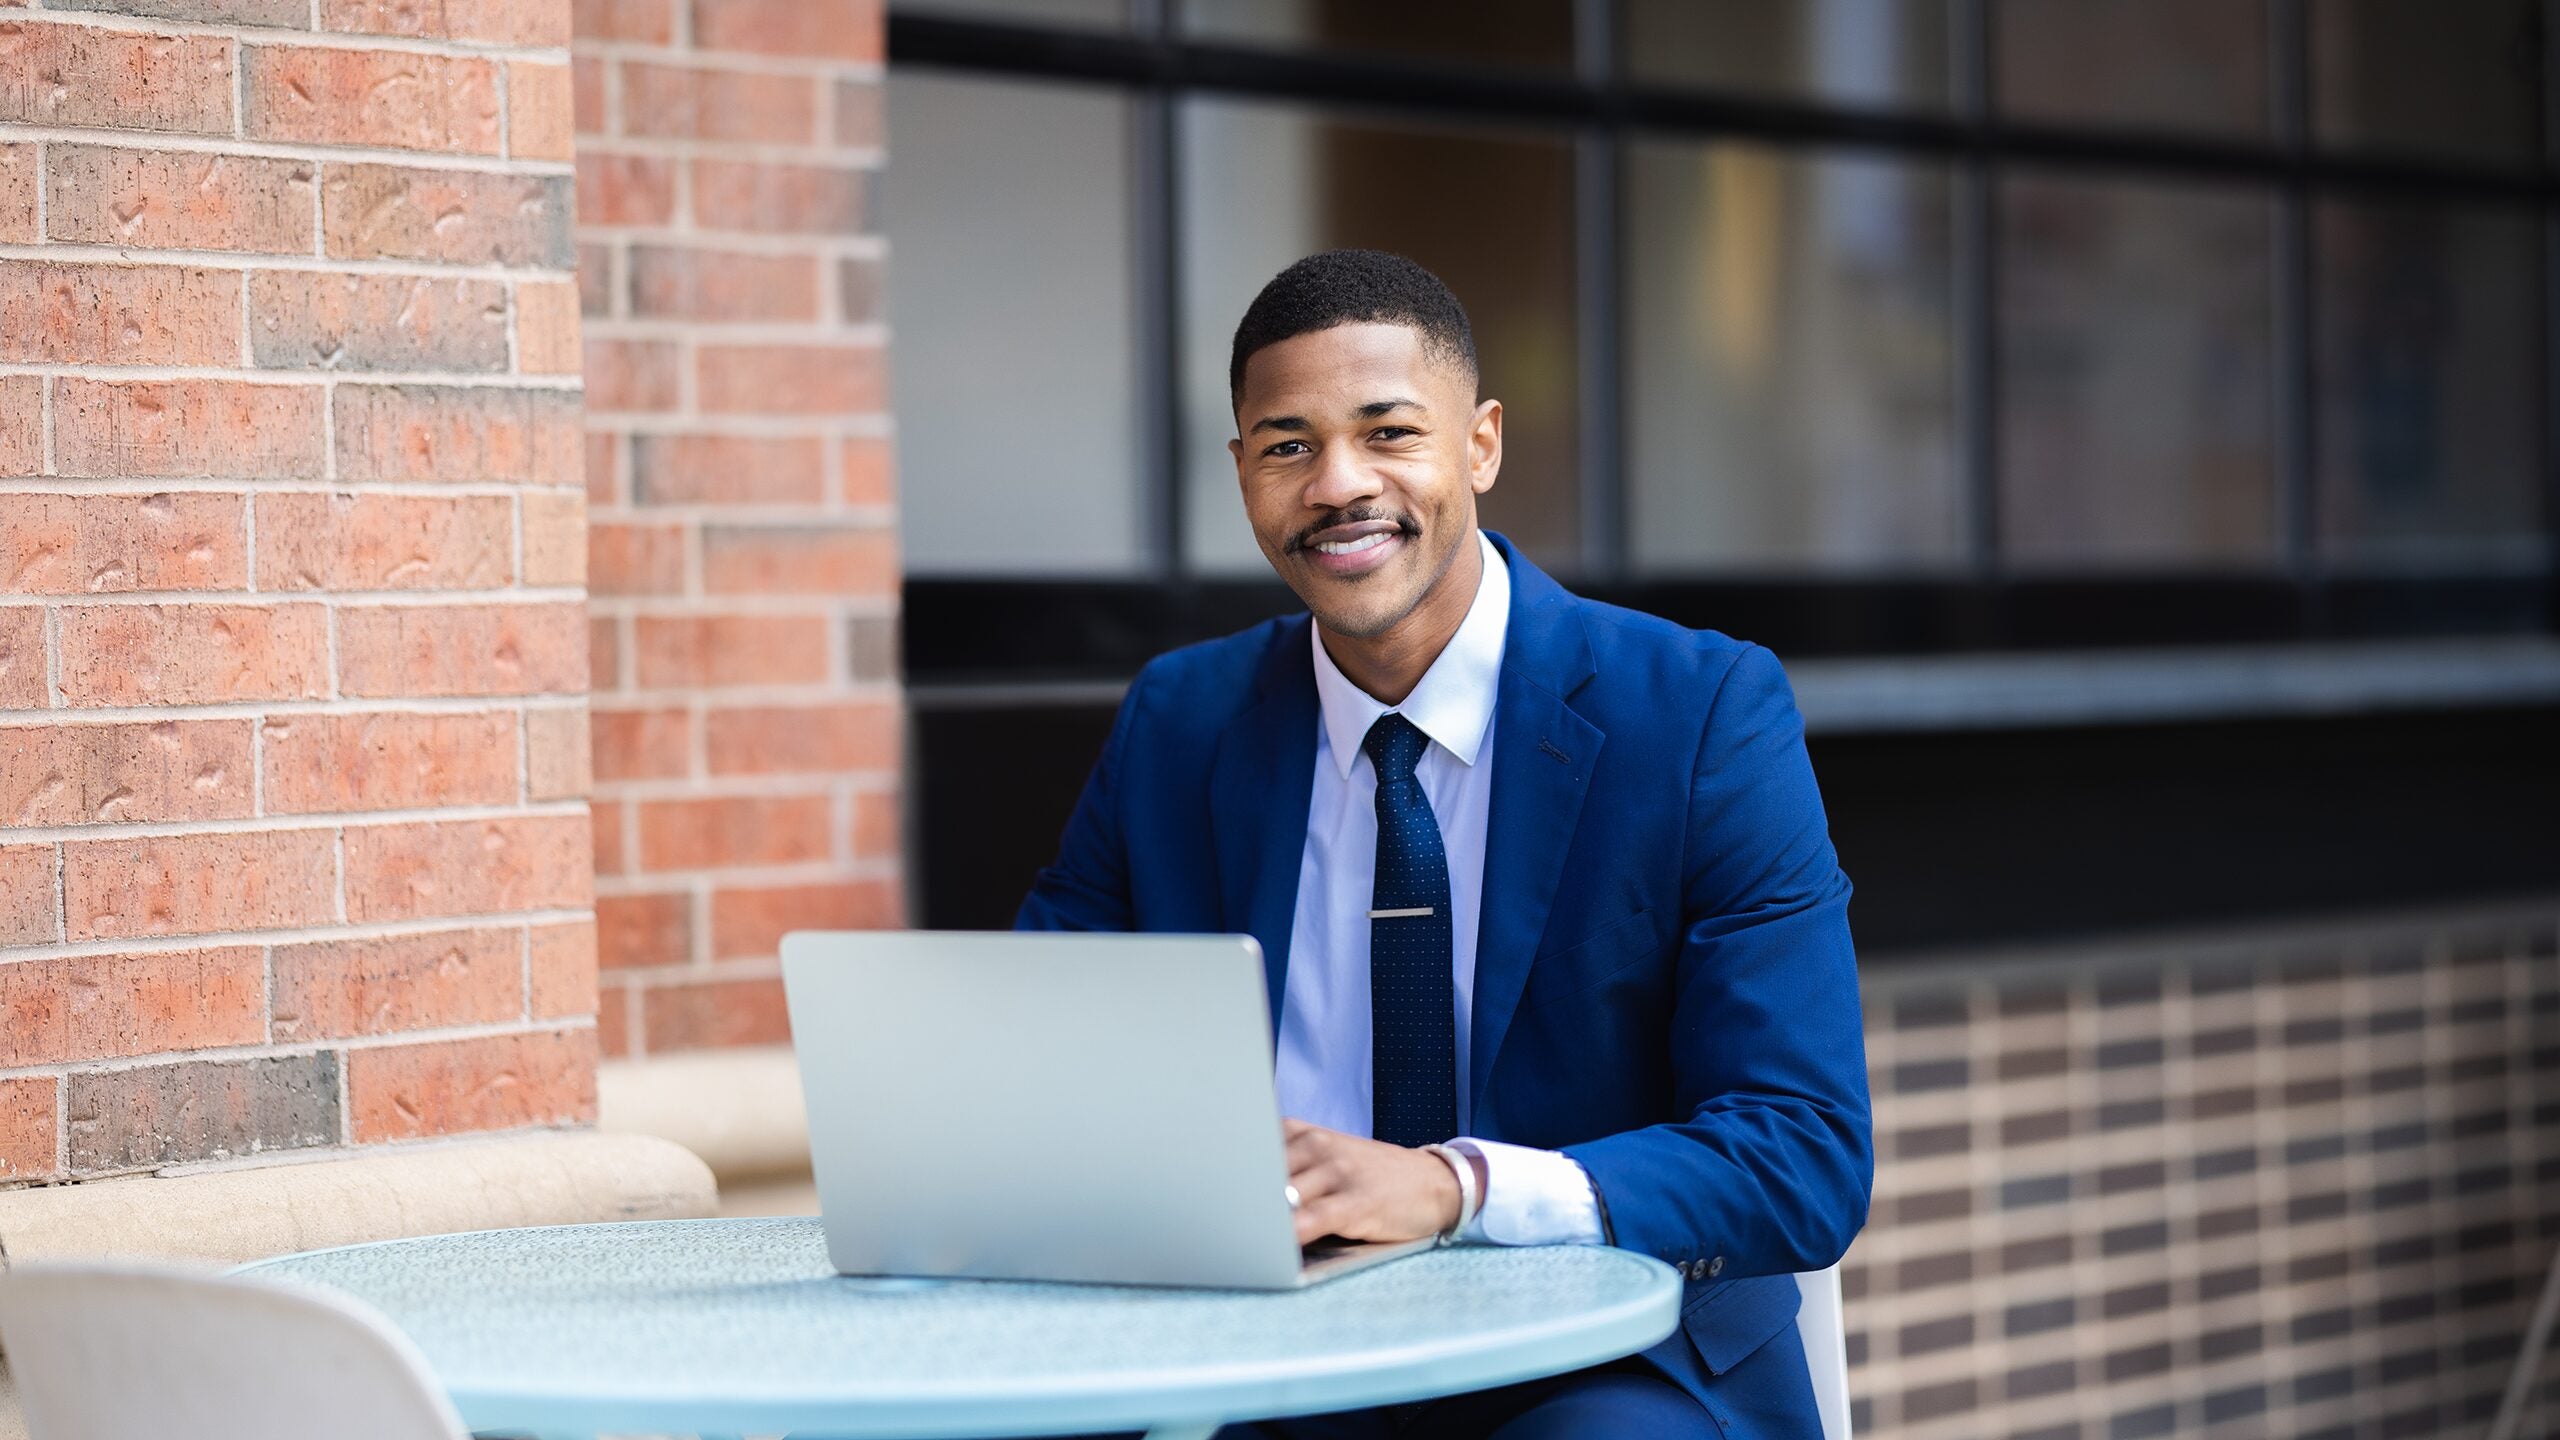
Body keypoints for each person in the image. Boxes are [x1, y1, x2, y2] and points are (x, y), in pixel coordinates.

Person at [1019, 249, 1871, 1438]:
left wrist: (1448, 1187)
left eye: (1388, 432)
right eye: (1287, 445)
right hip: (1267, 1341)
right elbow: (1038, 1043)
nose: (1337, 484)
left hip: (1604, 1352)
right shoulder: (1181, 718)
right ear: (1241, 475)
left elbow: (1801, 1151)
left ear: (1479, 446)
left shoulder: (1698, 712)